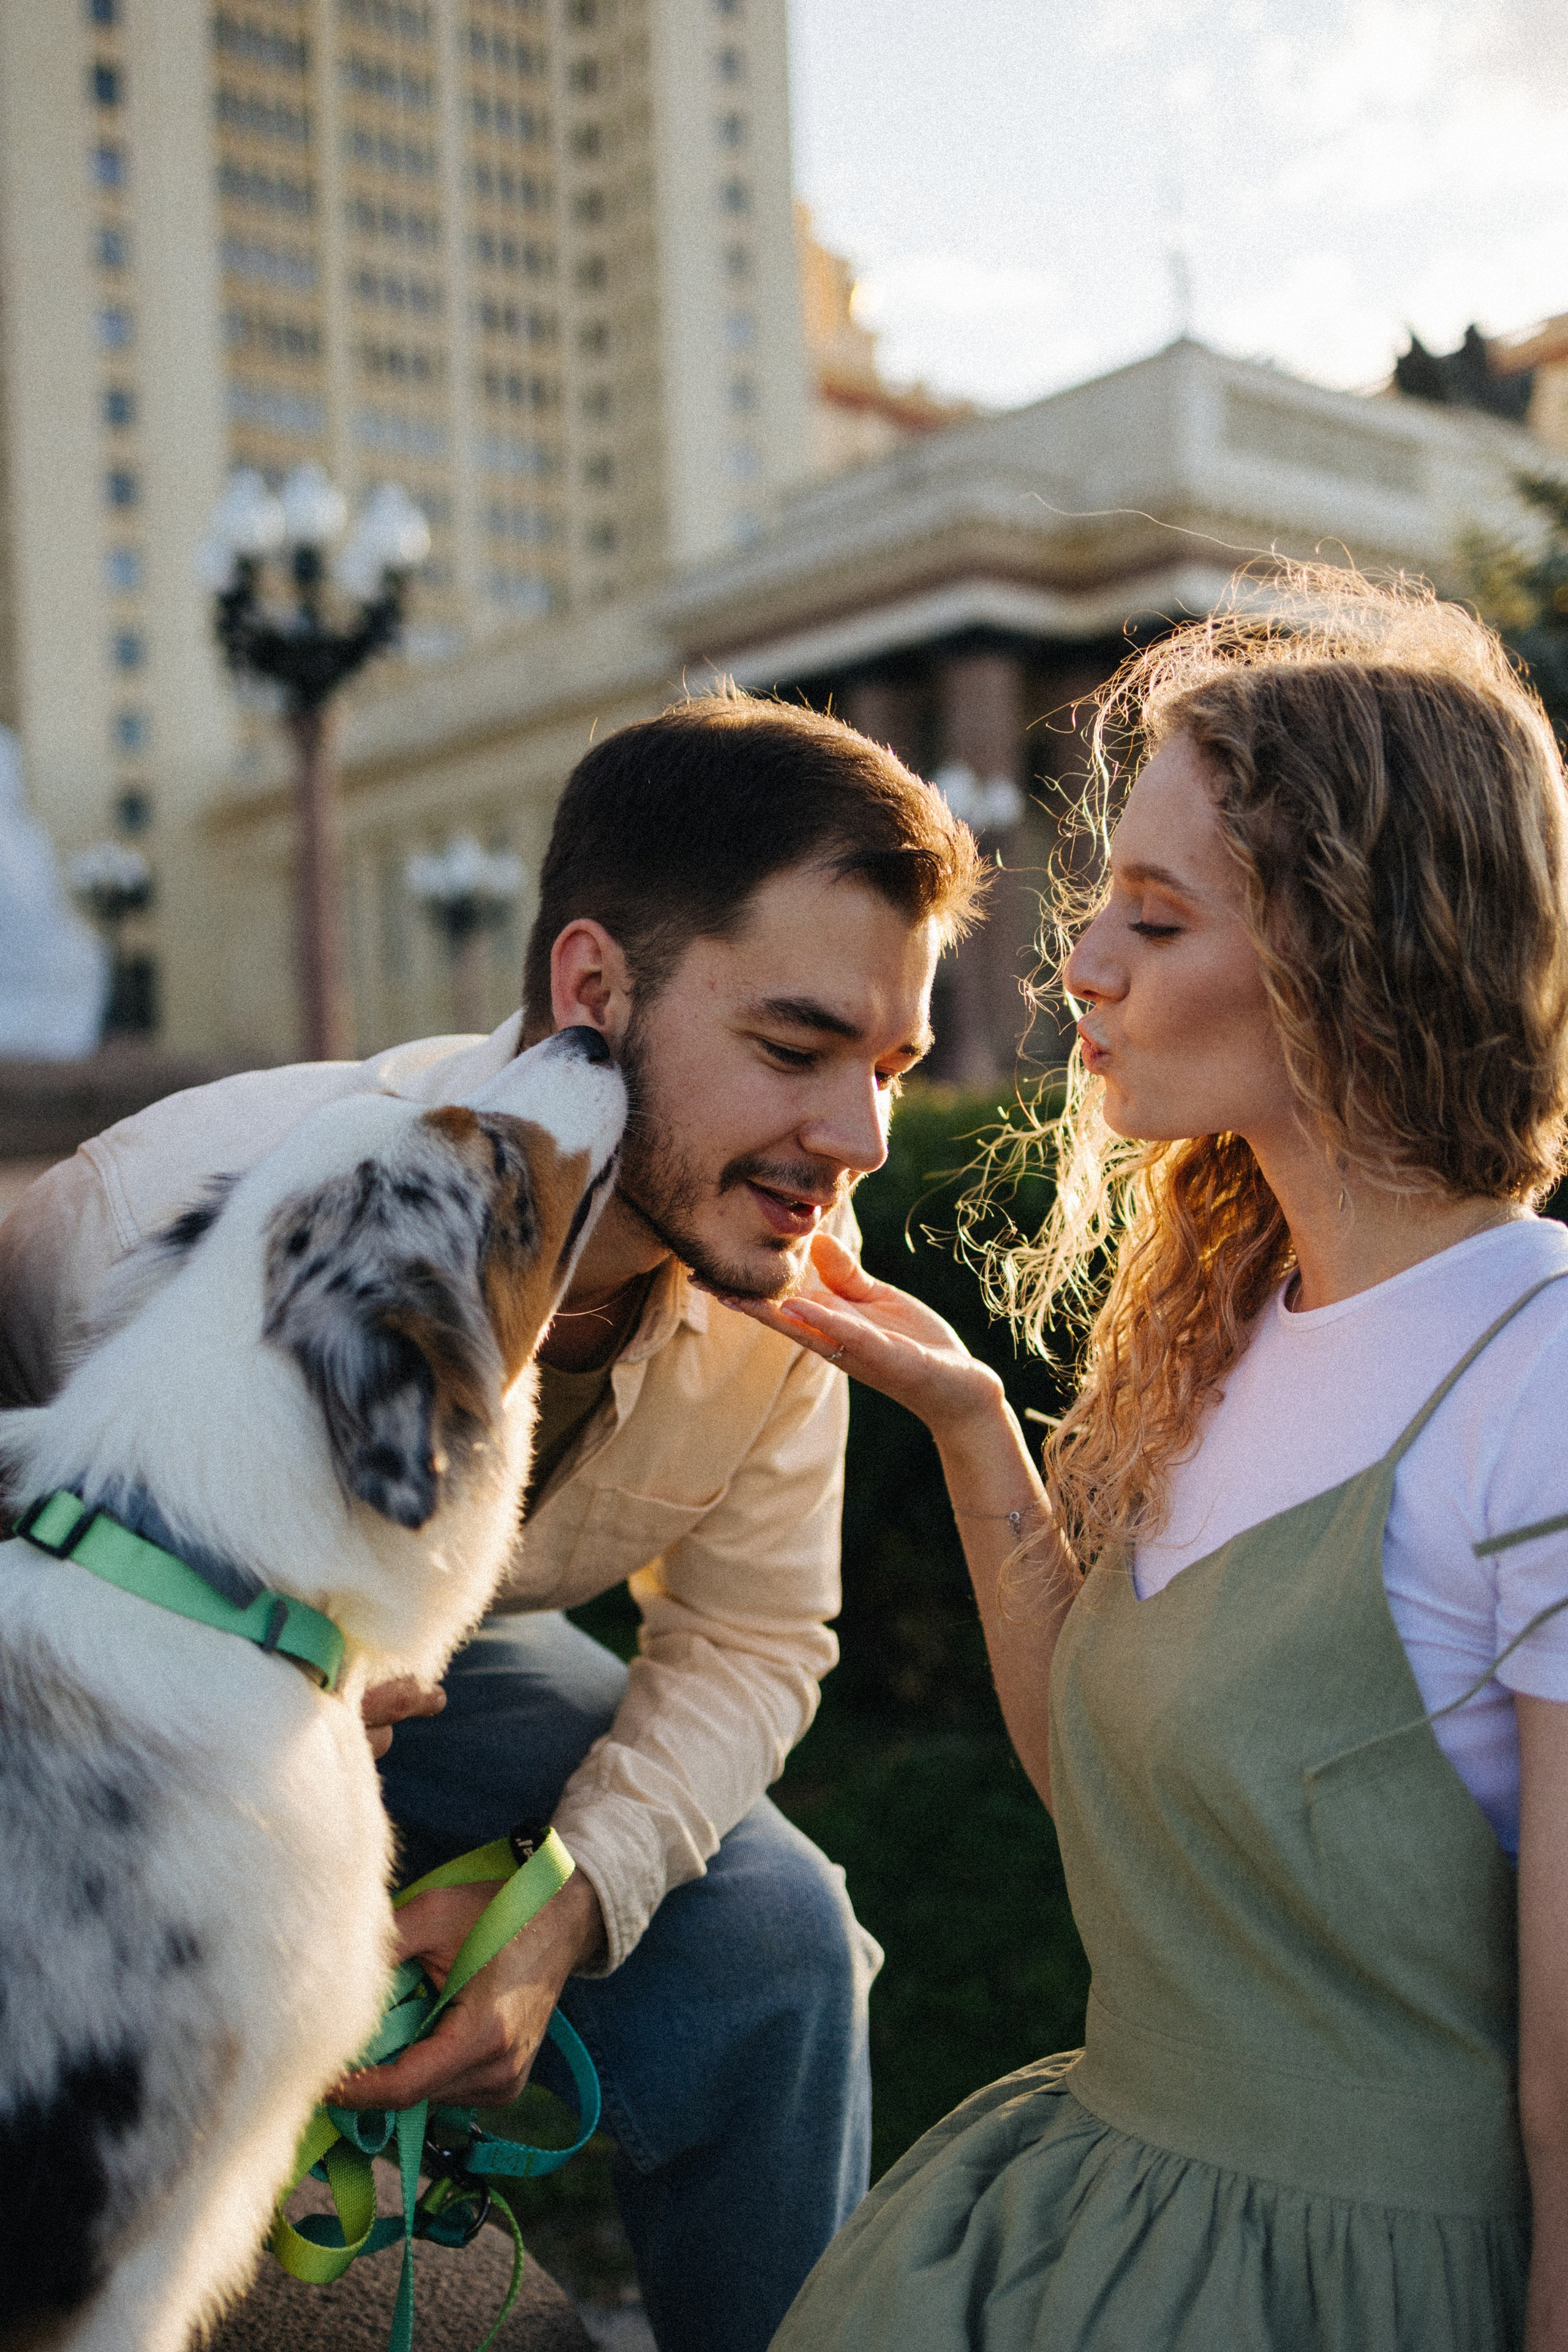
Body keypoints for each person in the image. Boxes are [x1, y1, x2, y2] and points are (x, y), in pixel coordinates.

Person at [0, 691, 986, 2352]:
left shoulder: (779, 1274)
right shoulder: (152, 1213)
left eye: (887, 1071)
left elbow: (750, 1638)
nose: (857, 1141)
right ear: (594, 989)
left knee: (779, 1933)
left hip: (444, 1668)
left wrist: (560, 1908)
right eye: (797, 1051)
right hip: (118, 1712)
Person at [725, 573, 1568, 2351]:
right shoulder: (1245, 1313)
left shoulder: (1540, 1375)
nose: (1080, 964)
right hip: (1097, 2219)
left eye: (1159, 921)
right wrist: (971, 1427)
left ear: (1357, 951)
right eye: (1105, 900)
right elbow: (1115, 1809)